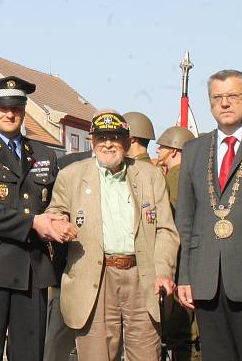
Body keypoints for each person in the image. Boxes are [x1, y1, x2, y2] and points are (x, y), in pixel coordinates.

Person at [0, 76, 74, 361]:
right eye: (2, 107)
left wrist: (59, 219)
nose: (10, 114)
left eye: (16, 108)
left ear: (24, 110)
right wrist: (33, 223)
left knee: (30, 355)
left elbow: (55, 201)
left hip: (33, 271)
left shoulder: (44, 154)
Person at [47, 111, 180, 361]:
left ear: (127, 141)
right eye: (101, 137)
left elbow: (165, 229)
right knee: (96, 355)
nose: (108, 144)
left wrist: (163, 271)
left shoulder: (150, 175)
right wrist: (59, 223)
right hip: (95, 278)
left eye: (115, 137)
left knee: (147, 355)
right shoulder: (71, 176)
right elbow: (55, 212)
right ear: (91, 140)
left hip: (143, 278)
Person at [175, 69, 242, 361]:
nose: (224, 103)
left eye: (232, 96)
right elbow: (186, 219)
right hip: (206, 280)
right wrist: (185, 276)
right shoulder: (194, 149)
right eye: (217, 97)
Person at [155, 125, 201, 361]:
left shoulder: (174, 177)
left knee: (181, 330)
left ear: (173, 151)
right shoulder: (194, 174)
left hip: (178, 258)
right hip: (191, 258)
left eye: (162, 147)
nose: (158, 150)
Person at [43, 150, 92, 361]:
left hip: (108, 277)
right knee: (56, 346)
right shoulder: (68, 166)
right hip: (68, 271)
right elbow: (53, 210)